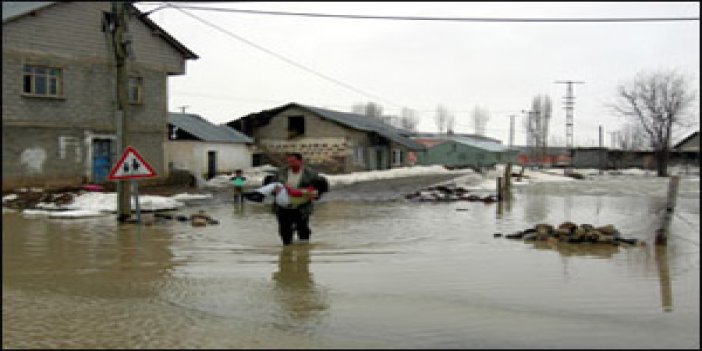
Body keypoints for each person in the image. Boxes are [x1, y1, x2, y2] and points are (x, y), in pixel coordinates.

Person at [246, 153, 328, 246]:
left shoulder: (311, 174)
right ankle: (287, 249)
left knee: (302, 228)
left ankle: (304, 252)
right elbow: (270, 185)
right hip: (283, 206)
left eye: (293, 161)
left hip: (301, 206)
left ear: (300, 161)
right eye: (289, 162)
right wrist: (274, 192)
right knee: (284, 230)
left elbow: (322, 187)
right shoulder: (281, 172)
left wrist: (316, 196)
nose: (290, 164)